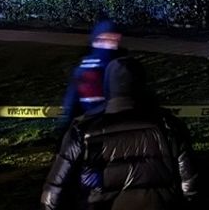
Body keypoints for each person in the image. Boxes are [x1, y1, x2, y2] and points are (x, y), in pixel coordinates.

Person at [41, 56, 198, 209]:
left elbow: (52, 194)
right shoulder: (169, 126)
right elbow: (190, 184)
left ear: (108, 86)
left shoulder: (83, 130)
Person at [61, 19, 123, 128]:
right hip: (94, 127)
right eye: (105, 39)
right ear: (95, 42)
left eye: (114, 39)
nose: (110, 44)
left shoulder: (122, 65)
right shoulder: (87, 70)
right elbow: (72, 103)